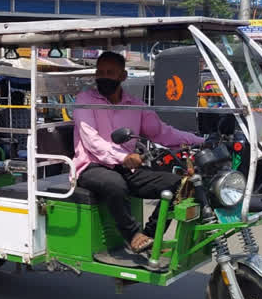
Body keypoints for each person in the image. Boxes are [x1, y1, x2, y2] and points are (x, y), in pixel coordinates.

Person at [73, 51, 204, 254]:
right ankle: (133, 236)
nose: (103, 77)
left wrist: (201, 141)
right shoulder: (85, 99)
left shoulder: (136, 105)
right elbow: (92, 142)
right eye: (100, 72)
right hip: (91, 166)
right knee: (114, 184)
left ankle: (150, 237)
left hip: (127, 167)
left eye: (110, 72)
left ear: (122, 76)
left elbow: (162, 132)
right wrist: (123, 157)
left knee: (178, 184)